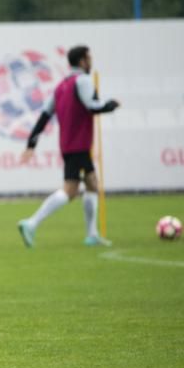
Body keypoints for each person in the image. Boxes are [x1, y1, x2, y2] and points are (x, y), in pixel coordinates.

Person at [17, 45, 119, 247]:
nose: (91, 62)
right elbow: (92, 106)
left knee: (92, 184)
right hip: (79, 144)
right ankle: (32, 223)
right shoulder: (83, 80)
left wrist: (31, 143)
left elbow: (45, 116)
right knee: (70, 190)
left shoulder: (61, 86)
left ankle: (92, 235)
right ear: (82, 61)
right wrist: (110, 105)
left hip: (68, 144)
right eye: (89, 58)